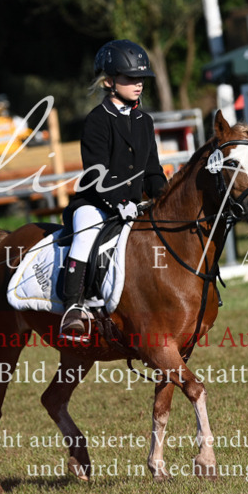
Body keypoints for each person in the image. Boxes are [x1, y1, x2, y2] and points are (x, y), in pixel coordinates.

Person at [60, 39, 167, 337]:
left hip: (134, 206)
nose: (138, 84)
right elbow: (96, 175)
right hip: (96, 203)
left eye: (141, 79)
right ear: (109, 81)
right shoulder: (96, 121)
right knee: (86, 235)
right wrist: (119, 202)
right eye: (130, 78)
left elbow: (153, 172)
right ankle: (73, 307)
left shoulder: (144, 121)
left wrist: (165, 197)